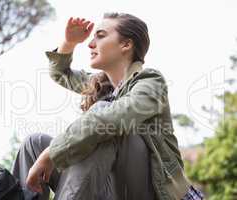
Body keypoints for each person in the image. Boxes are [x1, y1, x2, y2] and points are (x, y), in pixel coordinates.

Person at [12, 13, 204, 200]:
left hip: (153, 191)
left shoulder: (151, 81)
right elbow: (60, 73)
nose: (91, 44)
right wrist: (69, 42)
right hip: (107, 188)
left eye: (101, 36)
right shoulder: (100, 85)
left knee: (103, 116)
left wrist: (52, 152)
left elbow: (112, 118)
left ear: (126, 45)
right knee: (34, 143)